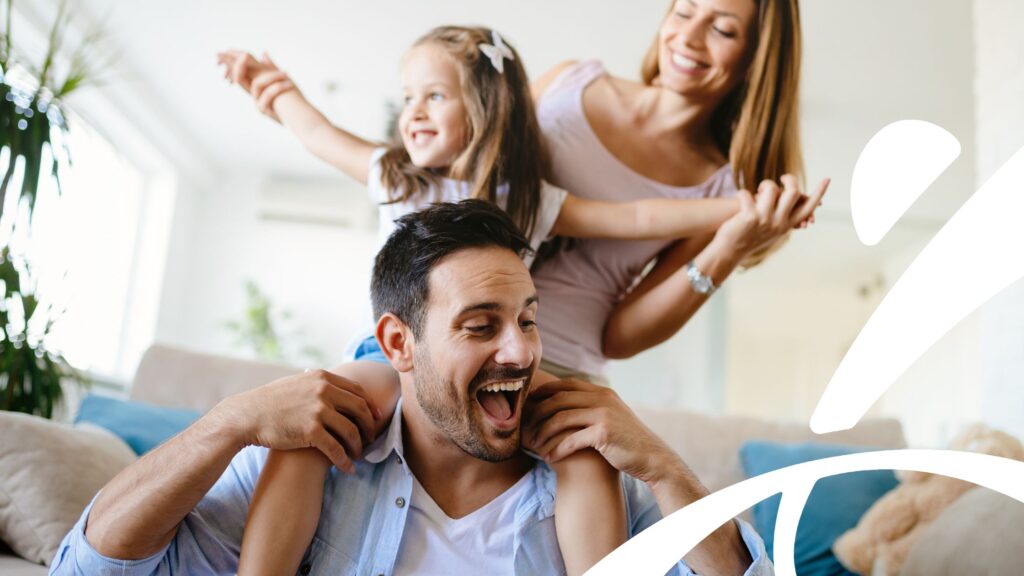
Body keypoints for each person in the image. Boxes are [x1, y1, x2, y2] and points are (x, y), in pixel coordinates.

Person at [216, 24, 817, 575]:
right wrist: (276, 92)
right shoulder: (397, 174)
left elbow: (638, 215)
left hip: (525, 373)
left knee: (587, 456)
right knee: (314, 422)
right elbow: (319, 134)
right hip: (388, 359)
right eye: (409, 98)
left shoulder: (532, 199)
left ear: (481, 109)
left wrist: (744, 209)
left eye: (434, 97)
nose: (412, 113)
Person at [49, 200, 772, 575]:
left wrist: (665, 468)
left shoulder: (595, 471)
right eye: (481, 325)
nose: (520, 350)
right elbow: (88, 570)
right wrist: (228, 423)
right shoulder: (316, 449)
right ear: (398, 343)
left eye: (528, 318)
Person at [529, 0, 827, 378]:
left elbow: (618, 339)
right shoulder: (566, 82)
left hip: (556, 367)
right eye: (684, 12)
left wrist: (727, 249)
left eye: (722, 30)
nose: (688, 37)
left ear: (757, 58)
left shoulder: (721, 190)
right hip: (452, 332)